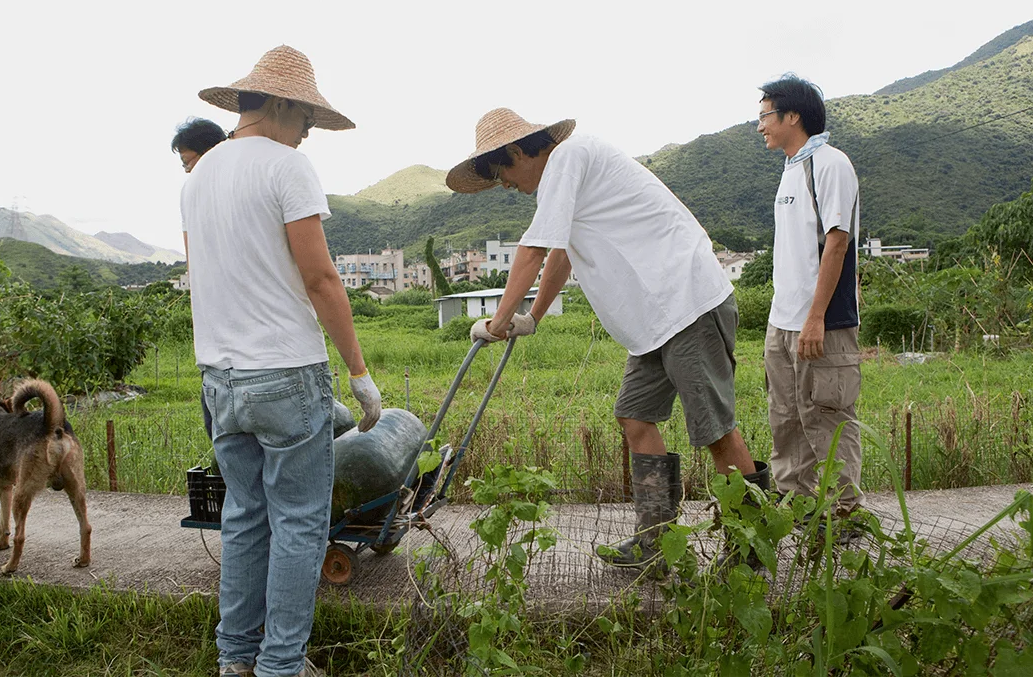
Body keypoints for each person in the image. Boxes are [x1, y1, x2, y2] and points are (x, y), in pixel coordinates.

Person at [445, 107, 770, 569]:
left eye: (501, 173)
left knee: (714, 430)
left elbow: (533, 250)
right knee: (635, 417)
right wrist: (532, 316)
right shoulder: (565, 179)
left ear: (517, 151)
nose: (505, 185)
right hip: (652, 321)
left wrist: (498, 321)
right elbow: (560, 254)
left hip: (686, 302)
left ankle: (751, 551)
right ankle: (656, 544)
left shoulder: (568, 157)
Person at [183, 45, 381, 677]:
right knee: (299, 522)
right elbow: (320, 278)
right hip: (286, 373)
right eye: (306, 118)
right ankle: (282, 665)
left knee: (244, 517)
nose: (307, 133)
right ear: (279, 103)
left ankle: (235, 657)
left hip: (220, 378)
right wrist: (359, 373)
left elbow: (202, 276)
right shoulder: (287, 168)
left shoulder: (197, 178)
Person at [757, 74, 864, 514]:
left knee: (827, 420)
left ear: (792, 116)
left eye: (765, 116)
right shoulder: (790, 170)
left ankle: (843, 514)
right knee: (786, 421)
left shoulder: (830, 164)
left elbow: (837, 243)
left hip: (823, 323)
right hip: (782, 323)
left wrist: (816, 317)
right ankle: (795, 509)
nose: (760, 126)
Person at [171, 116, 229, 439]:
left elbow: (193, 259)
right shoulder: (191, 192)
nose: (187, 171)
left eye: (188, 162)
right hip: (220, 356)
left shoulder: (194, 191)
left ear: (211, 153)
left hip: (218, 358)